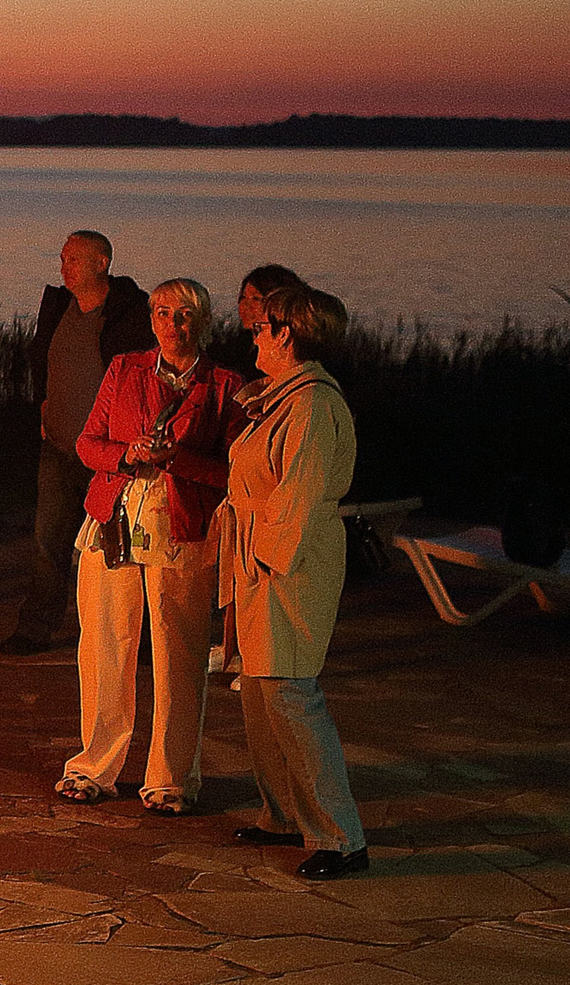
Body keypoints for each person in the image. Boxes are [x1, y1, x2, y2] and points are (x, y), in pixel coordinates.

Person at [55, 279, 242, 812]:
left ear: (201, 321)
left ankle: (171, 779)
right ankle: (94, 767)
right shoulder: (125, 369)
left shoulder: (225, 385)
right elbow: (87, 443)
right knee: (104, 647)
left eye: (183, 314)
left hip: (181, 532)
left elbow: (232, 471)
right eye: (162, 312)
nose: (172, 324)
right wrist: (127, 454)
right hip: (113, 523)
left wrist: (176, 460)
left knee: (178, 655)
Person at [218, 282, 368, 879]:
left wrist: (262, 559)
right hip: (264, 559)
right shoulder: (283, 398)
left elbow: (300, 495)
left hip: (288, 564)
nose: (252, 335)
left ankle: (340, 836)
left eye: (261, 327)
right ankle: (282, 814)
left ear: (286, 334)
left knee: (290, 692)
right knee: (260, 692)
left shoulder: (310, 405)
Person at [1, 230, 152, 655]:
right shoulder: (58, 307)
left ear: (102, 263)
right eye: (63, 259)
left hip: (109, 452)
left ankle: (135, 636)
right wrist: (43, 405)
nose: (64, 268)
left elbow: (142, 376)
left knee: (120, 543)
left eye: (73, 260)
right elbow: (41, 359)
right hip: (60, 445)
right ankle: (36, 626)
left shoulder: (129, 315)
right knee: (48, 539)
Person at [217, 265, 305, 377]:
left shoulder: (292, 354)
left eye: (256, 299)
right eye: (243, 297)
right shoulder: (232, 349)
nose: (246, 306)